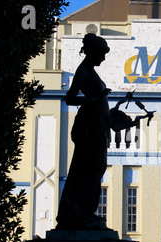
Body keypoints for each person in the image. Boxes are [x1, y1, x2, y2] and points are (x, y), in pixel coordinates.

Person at [56, 33, 150, 230]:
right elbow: (70, 98)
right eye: (102, 53)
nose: (104, 58)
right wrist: (93, 99)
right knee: (89, 168)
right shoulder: (83, 71)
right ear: (93, 52)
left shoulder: (90, 71)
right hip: (89, 127)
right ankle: (79, 212)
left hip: (98, 125)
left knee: (96, 168)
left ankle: (85, 212)